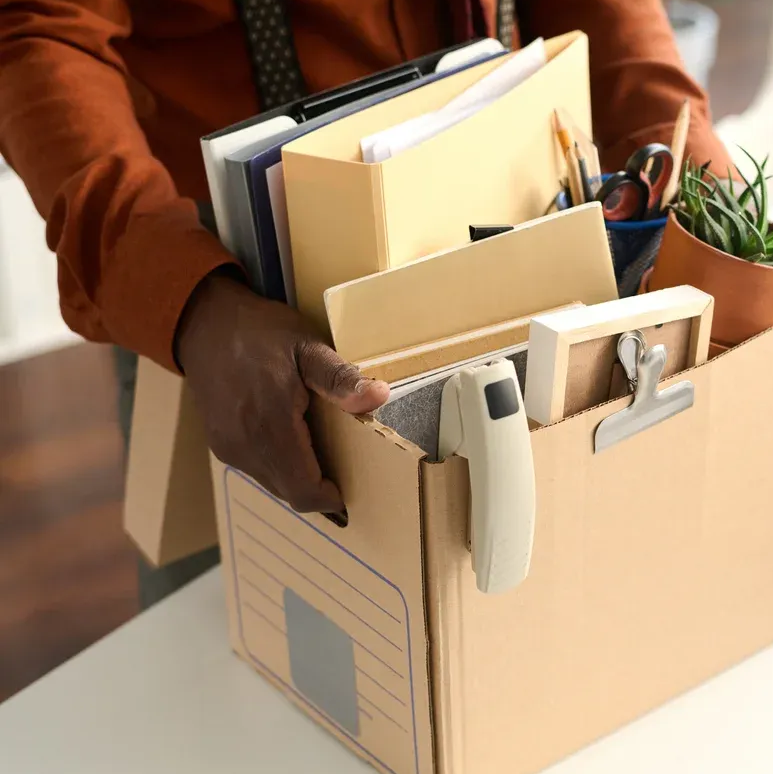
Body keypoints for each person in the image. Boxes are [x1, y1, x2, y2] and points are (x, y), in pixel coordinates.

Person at [0, 0, 735, 607]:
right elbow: (38, 29)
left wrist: (698, 186)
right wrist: (184, 297)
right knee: (238, 672)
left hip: (513, 235)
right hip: (237, 336)